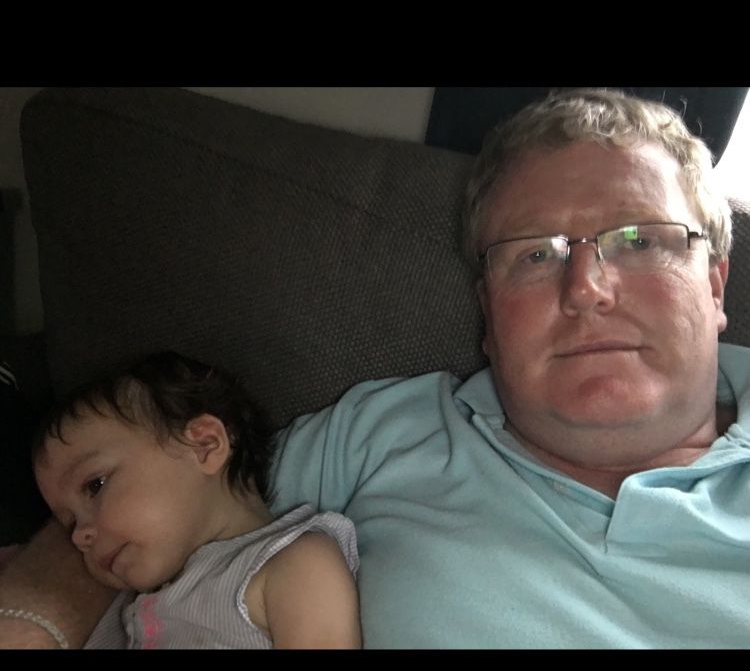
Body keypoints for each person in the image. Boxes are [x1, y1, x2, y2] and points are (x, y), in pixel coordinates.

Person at [1, 88, 748, 648]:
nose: (586, 288)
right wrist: (31, 622)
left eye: (638, 239)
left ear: (715, 285)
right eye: (534, 255)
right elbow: (160, 495)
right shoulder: (383, 432)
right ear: (487, 312)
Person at [27, 351, 360, 649]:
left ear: (204, 446)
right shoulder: (132, 607)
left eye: (95, 485)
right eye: (69, 521)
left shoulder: (294, 564)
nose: (79, 536)